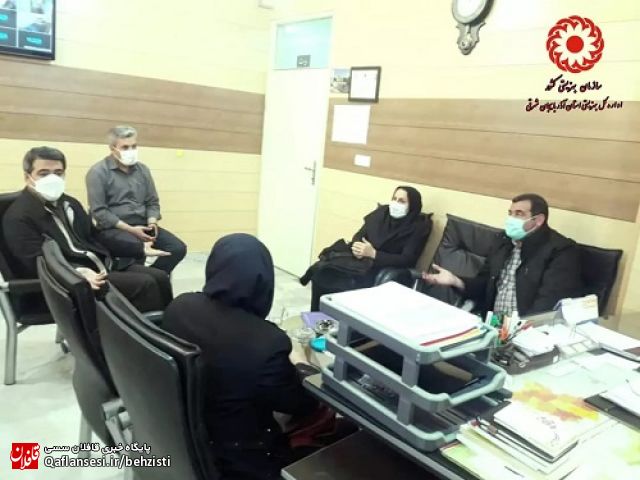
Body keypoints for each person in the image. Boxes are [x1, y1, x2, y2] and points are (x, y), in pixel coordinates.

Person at [162, 234, 319, 479]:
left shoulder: (179, 306)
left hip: (182, 435)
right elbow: (302, 404)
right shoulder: (268, 343)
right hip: (241, 460)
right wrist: (301, 362)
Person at [3, 146, 173, 313]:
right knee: (145, 285)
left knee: (159, 277)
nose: (53, 178)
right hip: (60, 284)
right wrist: (77, 273)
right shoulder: (18, 216)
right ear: (27, 177)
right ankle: (138, 331)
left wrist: (138, 248)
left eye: (58, 172)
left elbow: (95, 237)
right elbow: (35, 262)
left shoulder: (69, 203)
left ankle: (166, 327)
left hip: (97, 268)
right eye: (44, 173)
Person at [422, 193, 584, 316]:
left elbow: (547, 304)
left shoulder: (561, 250)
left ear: (538, 220)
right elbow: (485, 284)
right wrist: (456, 280)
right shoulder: (503, 241)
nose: (511, 219)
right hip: (491, 323)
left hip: (525, 332)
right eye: (510, 213)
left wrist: (518, 333)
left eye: (519, 214)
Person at [303, 186, 432, 311]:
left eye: (402, 201)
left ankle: (341, 322)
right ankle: (317, 319)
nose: (395, 203)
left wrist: (374, 254)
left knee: (341, 285)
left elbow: (407, 259)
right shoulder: (381, 213)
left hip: (379, 269)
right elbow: (359, 235)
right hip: (359, 261)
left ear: (412, 206)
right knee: (322, 273)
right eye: (394, 199)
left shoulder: (418, 227)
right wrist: (358, 247)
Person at [85, 125, 186, 274]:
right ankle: (144, 277)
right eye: (125, 147)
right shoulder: (98, 172)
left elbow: (152, 201)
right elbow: (99, 211)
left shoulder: (143, 170)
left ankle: (154, 276)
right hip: (115, 228)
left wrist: (152, 222)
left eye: (134, 146)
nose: (131, 150)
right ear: (113, 148)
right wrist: (131, 230)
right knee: (137, 249)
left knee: (177, 248)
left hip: (144, 224)